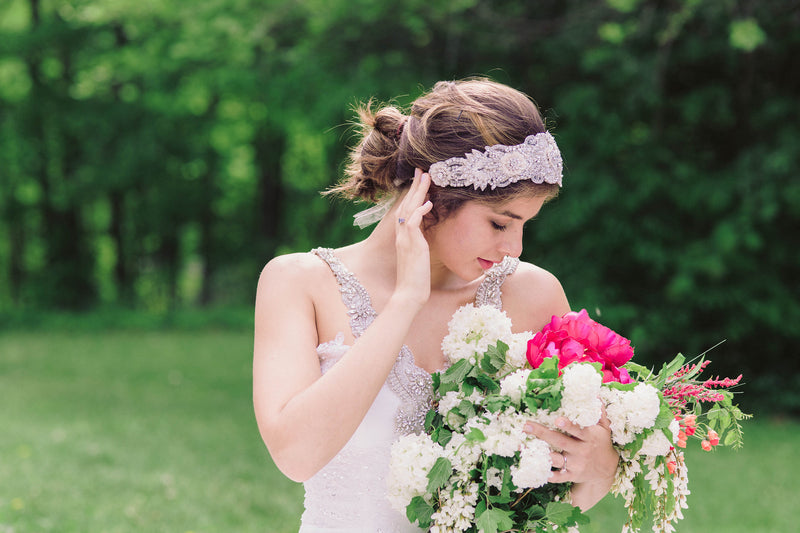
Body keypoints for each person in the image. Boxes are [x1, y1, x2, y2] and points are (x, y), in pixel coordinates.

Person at [253, 79, 619, 532]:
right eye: (499, 223)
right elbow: (296, 456)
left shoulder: (532, 294)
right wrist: (406, 301)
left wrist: (603, 465)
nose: (515, 247)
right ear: (430, 193)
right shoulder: (300, 283)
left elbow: (564, 495)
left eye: (524, 225)